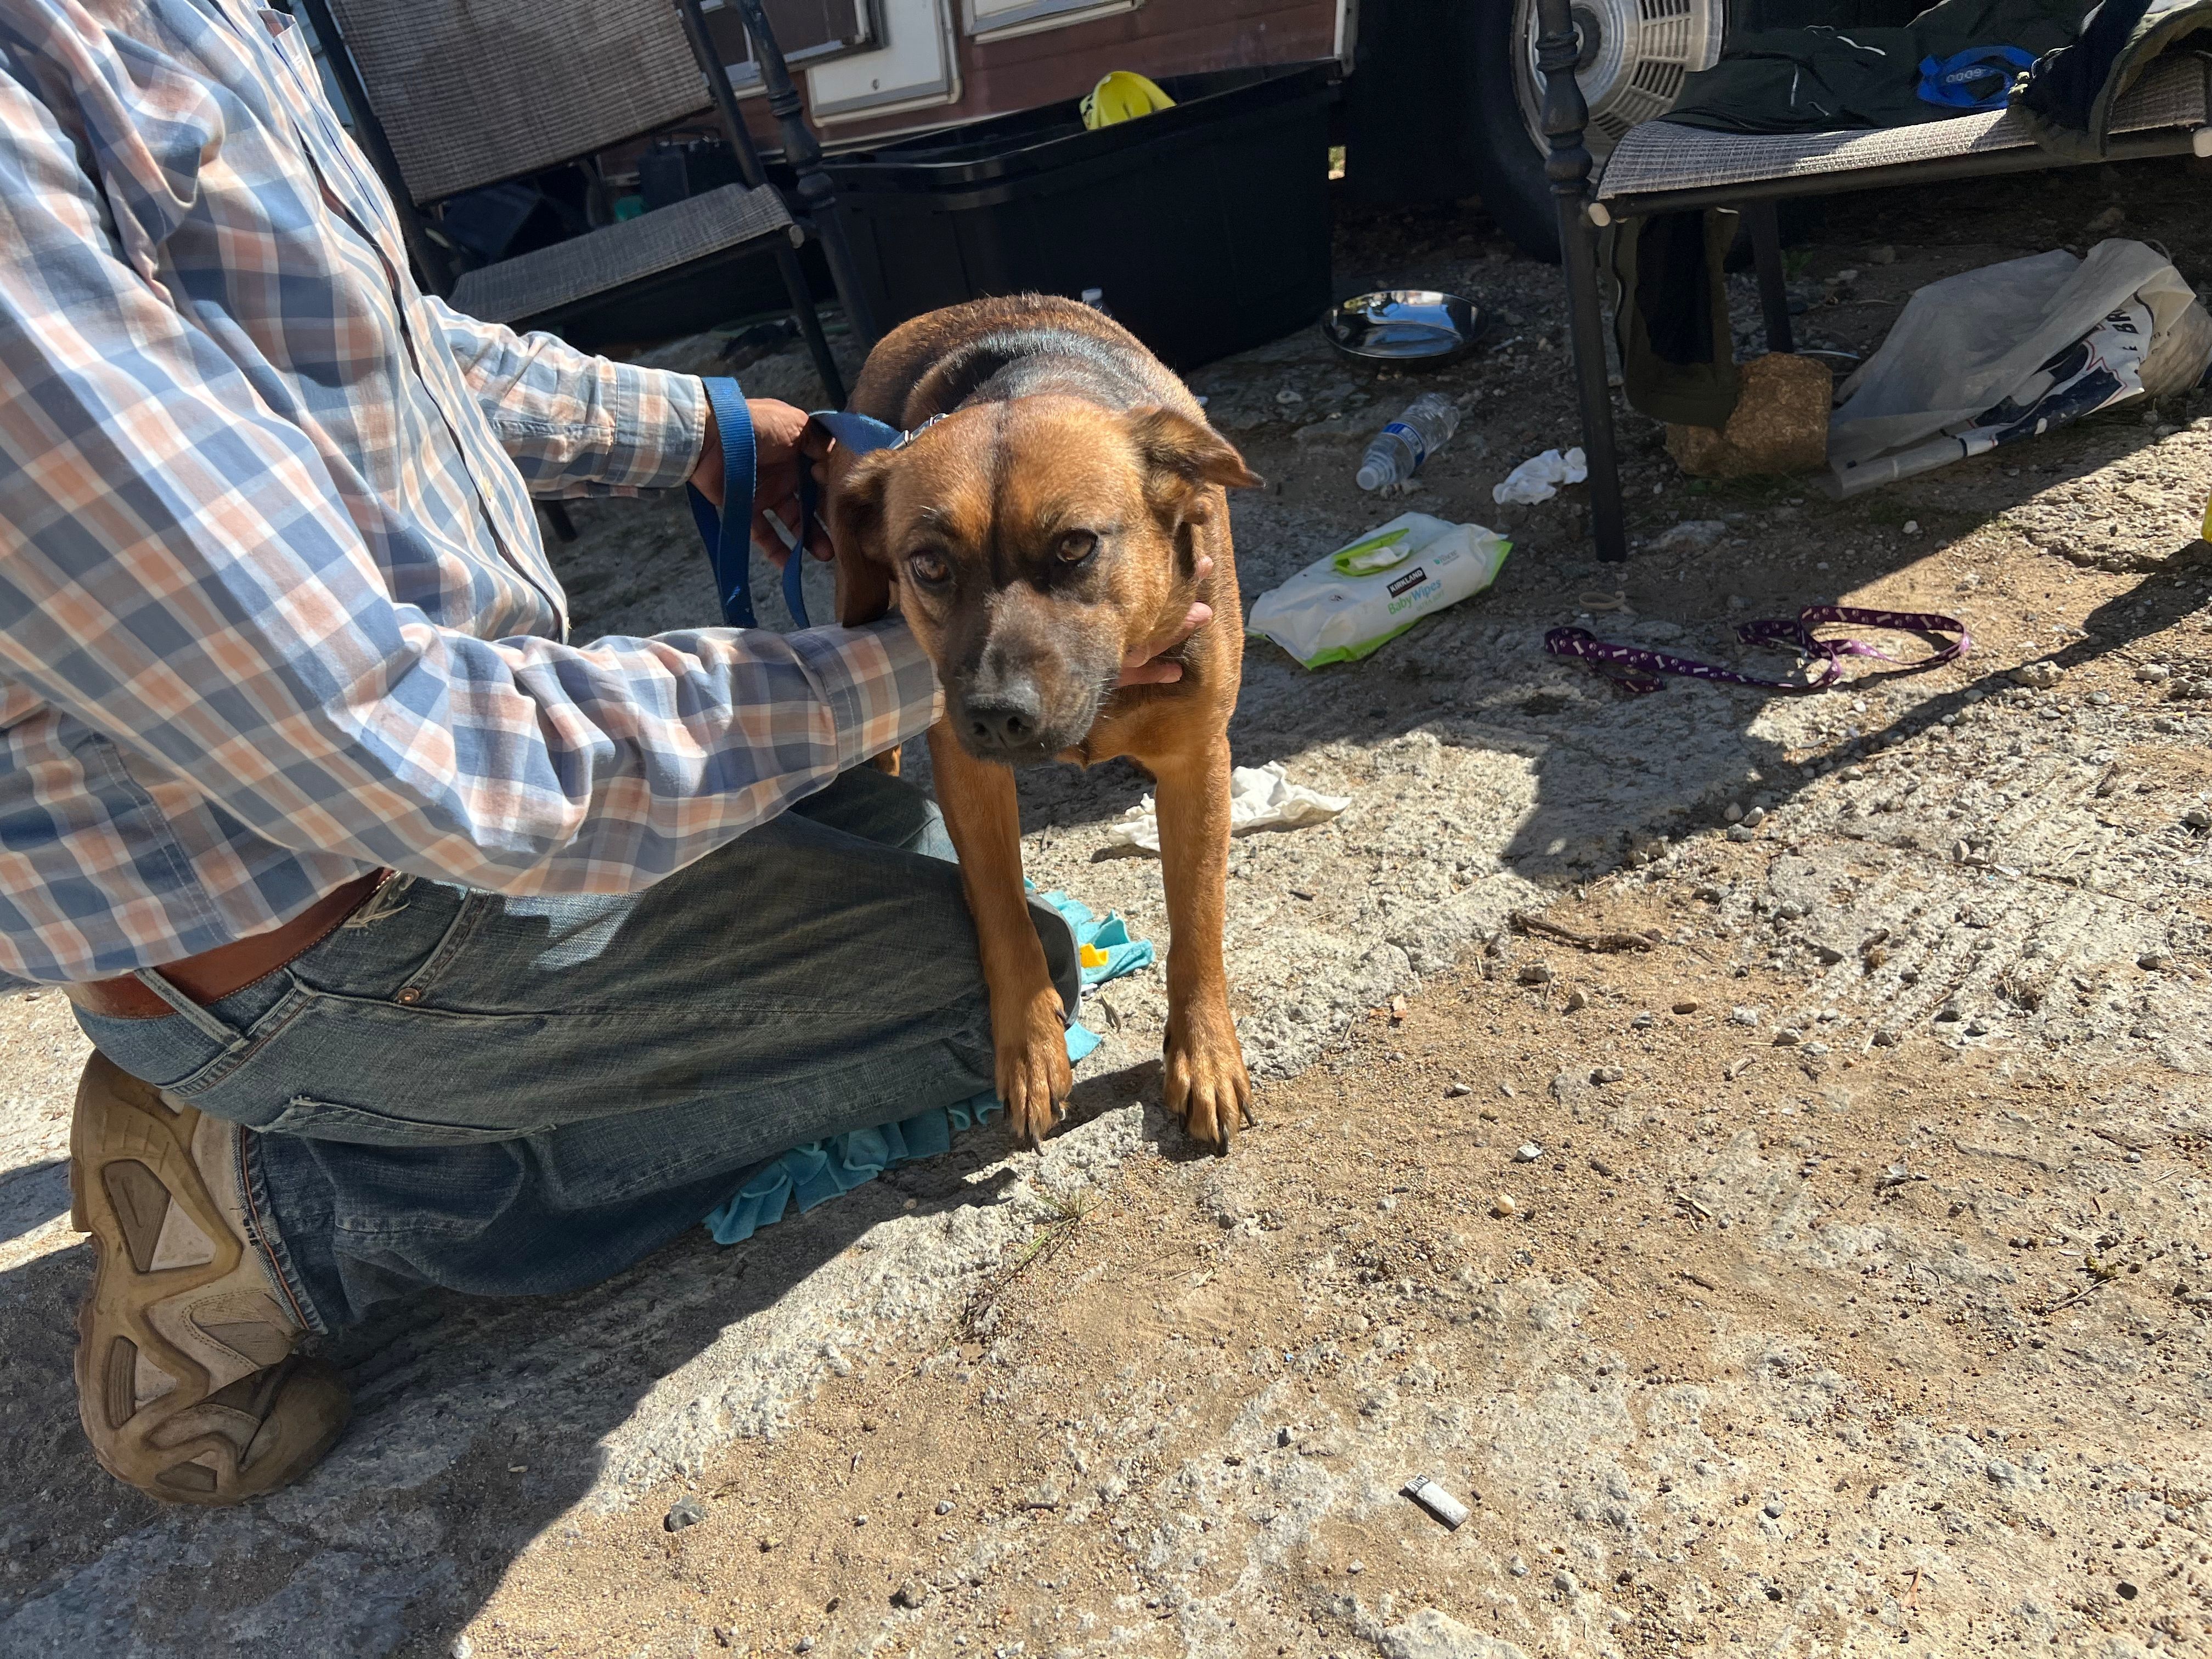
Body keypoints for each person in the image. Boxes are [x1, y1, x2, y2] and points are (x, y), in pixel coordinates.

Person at [1, 0, 1205, 1506]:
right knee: (995, 1002)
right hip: (336, 918)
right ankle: (283, 1206)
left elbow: (356, 338)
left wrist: (694, 429)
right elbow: (427, 762)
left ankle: (321, 1093)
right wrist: (959, 661)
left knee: (880, 841)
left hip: (413, 835)